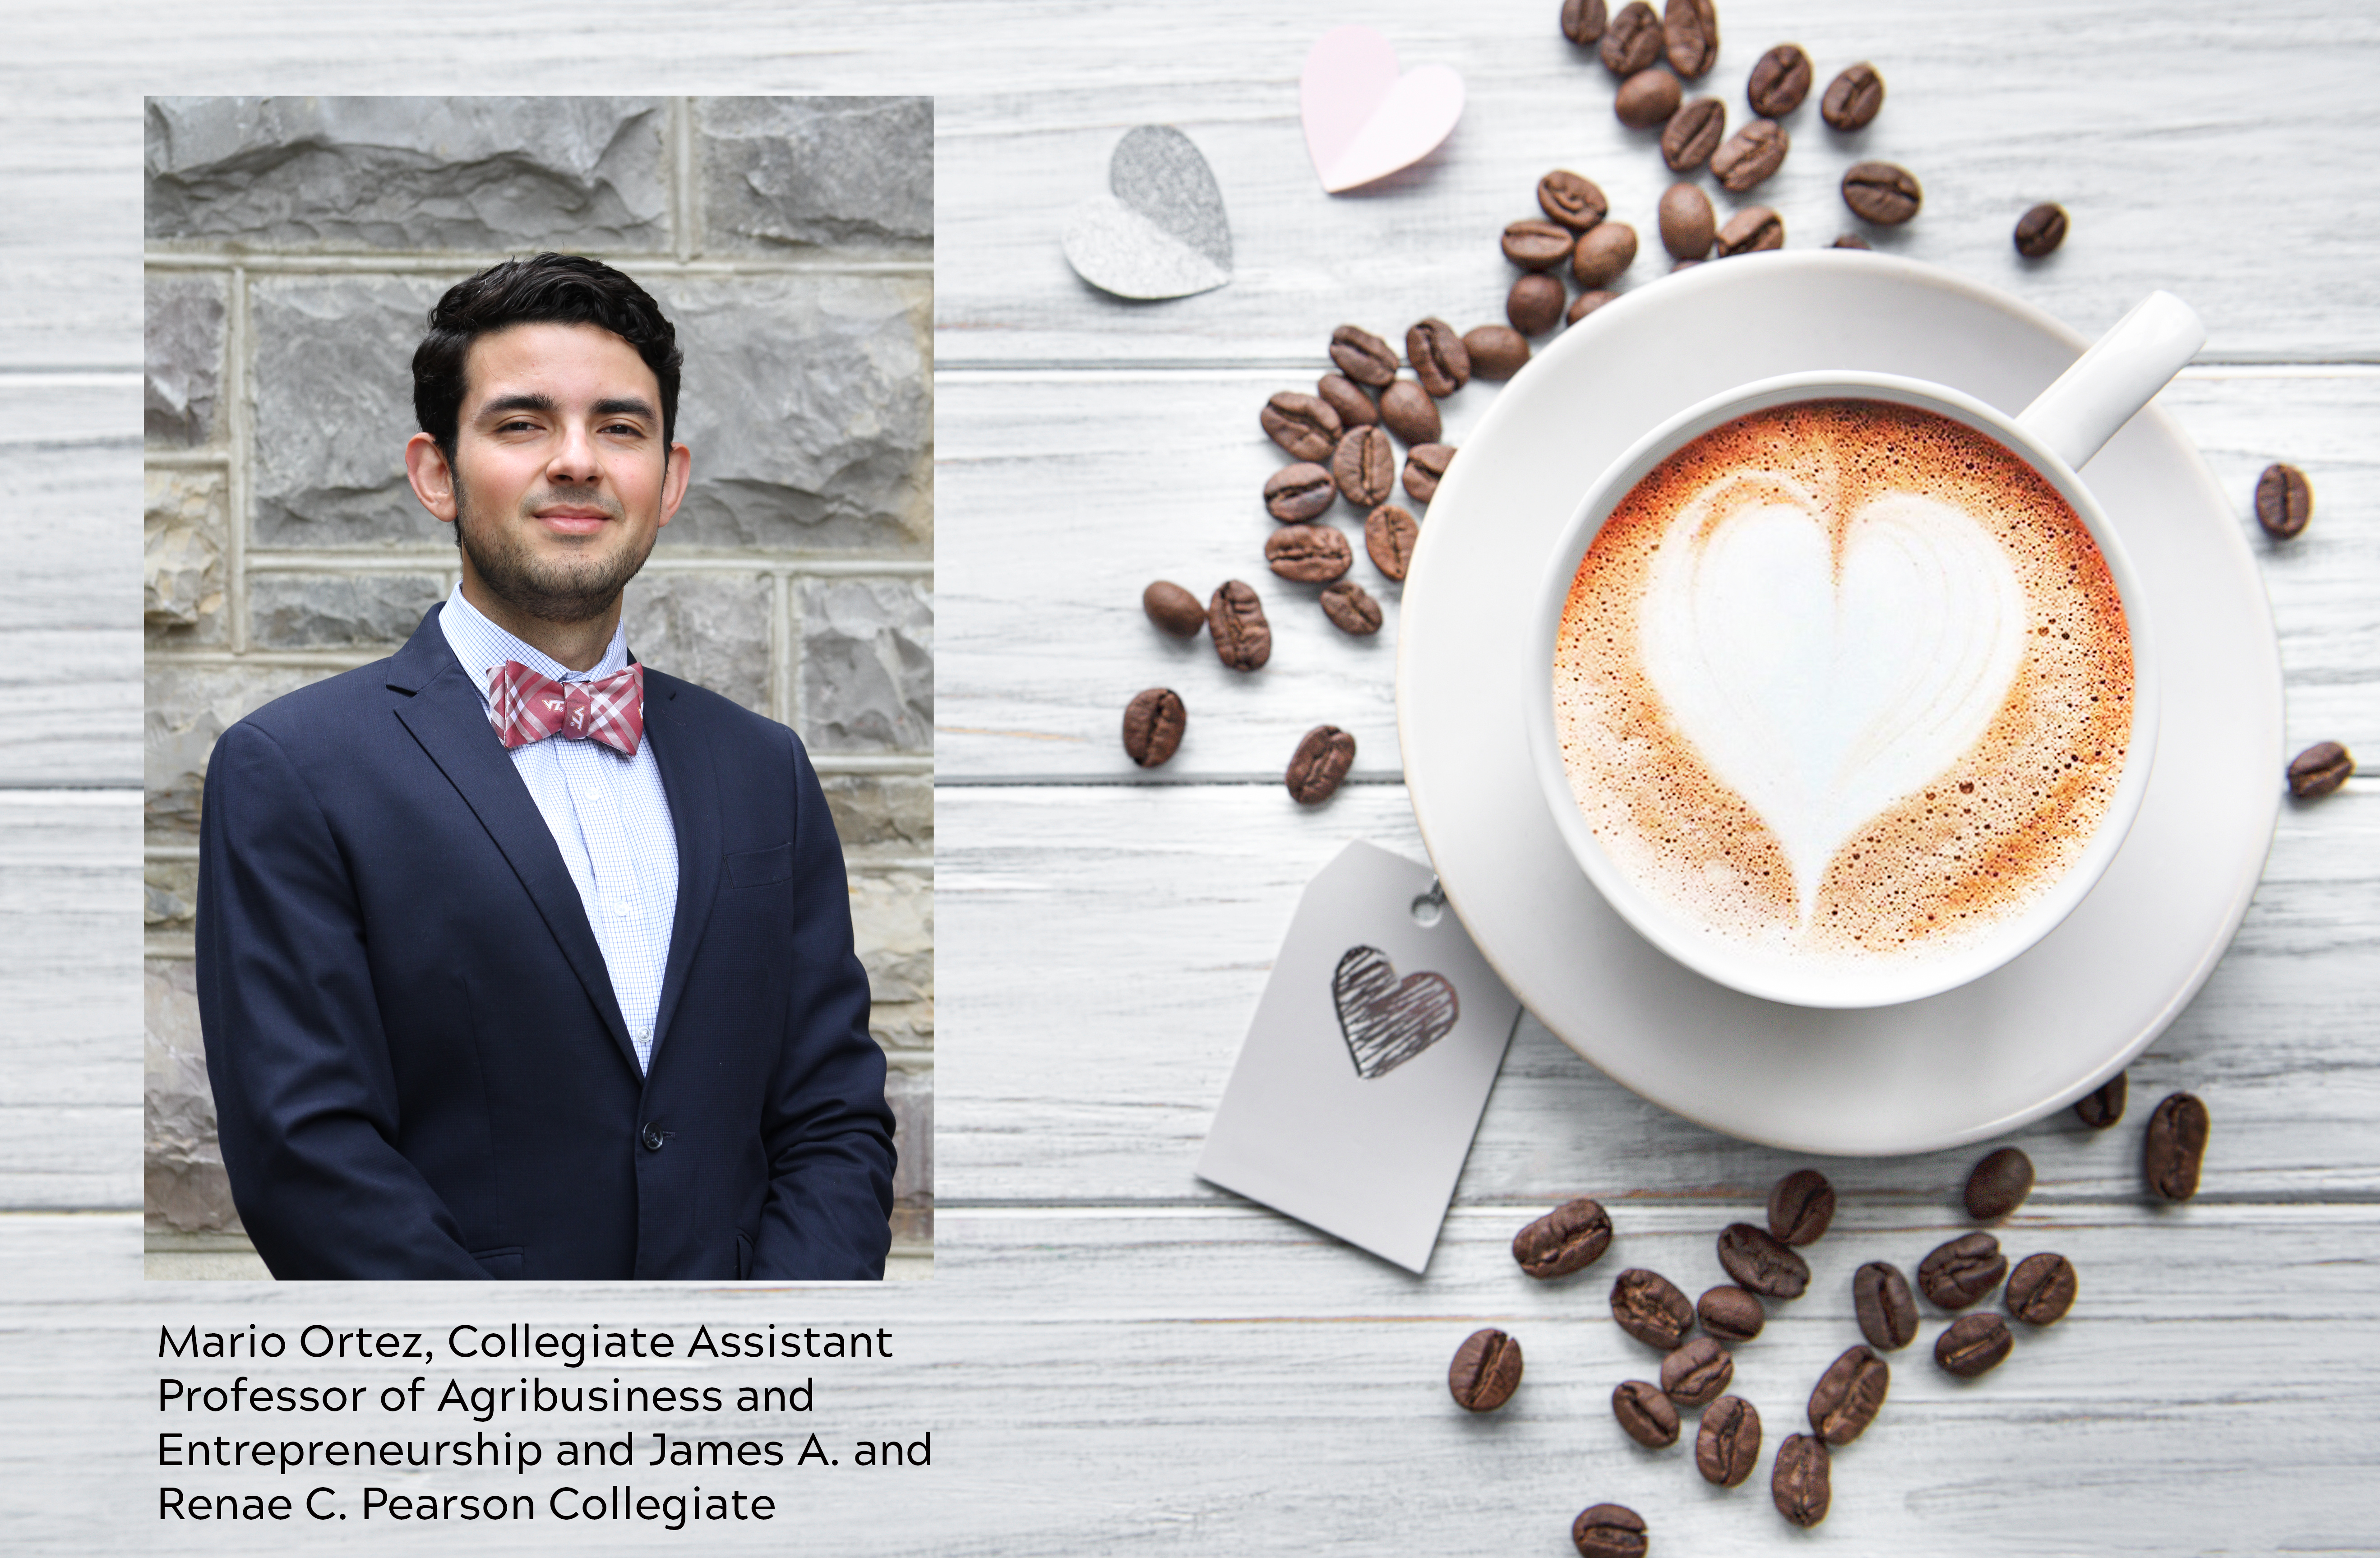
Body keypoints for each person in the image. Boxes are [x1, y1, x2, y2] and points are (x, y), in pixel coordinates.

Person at [197, 254, 896, 1280]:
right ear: (437, 471)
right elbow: (307, 1155)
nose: (578, 460)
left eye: (620, 427)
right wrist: (542, 1396)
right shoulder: (294, 769)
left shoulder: (763, 769)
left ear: (670, 479)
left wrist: (768, 1366)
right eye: (522, 424)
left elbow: (832, 1116)